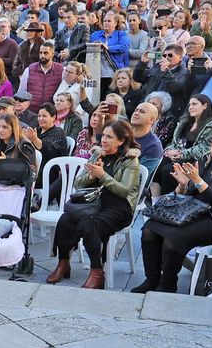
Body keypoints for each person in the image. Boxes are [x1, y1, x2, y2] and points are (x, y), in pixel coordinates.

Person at [136, 125, 212, 293]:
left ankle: (167, 283)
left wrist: (198, 180)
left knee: (173, 239)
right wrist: (183, 185)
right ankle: (151, 279)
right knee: (149, 229)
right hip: (194, 211)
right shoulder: (206, 159)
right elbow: (192, 192)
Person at [47, 120, 143, 289]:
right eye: (103, 135)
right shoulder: (98, 154)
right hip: (95, 203)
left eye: (109, 137)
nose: (104, 140)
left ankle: (97, 272)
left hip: (119, 208)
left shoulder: (130, 161)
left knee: (89, 223)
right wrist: (91, 177)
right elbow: (78, 183)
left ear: (121, 140)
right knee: (65, 219)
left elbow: (124, 191)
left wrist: (102, 176)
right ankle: (63, 263)